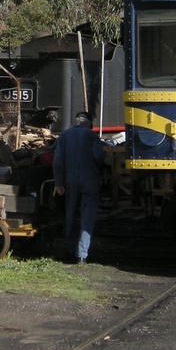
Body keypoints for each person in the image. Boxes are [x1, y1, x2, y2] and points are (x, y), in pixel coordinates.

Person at [53, 111, 105, 263]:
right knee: (87, 217)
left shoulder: (64, 136)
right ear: (88, 123)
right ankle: (82, 255)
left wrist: (58, 182)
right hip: (90, 179)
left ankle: (69, 250)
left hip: (70, 180)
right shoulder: (91, 136)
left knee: (70, 215)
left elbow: (57, 162)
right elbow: (99, 156)